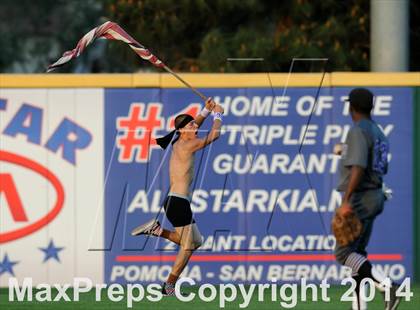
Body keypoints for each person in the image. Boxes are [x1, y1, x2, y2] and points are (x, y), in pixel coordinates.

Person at [131, 98, 224, 295]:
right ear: (182, 130)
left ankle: (158, 230)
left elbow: (192, 126)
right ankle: (169, 285)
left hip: (177, 202)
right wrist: (218, 115)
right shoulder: (186, 145)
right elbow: (215, 135)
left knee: (195, 242)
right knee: (188, 246)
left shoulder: (180, 139)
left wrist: (205, 111)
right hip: (177, 202)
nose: (195, 126)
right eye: (191, 125)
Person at [333, 88, 400, 310]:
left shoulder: (357, 130)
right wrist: (344, 149)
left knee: (343, 253)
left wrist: (346, 201)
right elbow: (370, 157)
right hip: (376, 194)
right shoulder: (377, 131)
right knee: (357, 255)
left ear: (351, 108)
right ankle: (360, 307)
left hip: (361, 196)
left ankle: (387, 285)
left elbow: (359, 166)